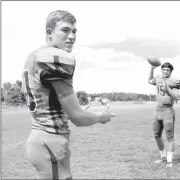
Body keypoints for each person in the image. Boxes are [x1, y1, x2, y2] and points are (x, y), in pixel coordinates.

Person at [22, 10, 115, 179]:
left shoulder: (35, 56)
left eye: (74, 31)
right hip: (50, 141)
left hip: (45, 140)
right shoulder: (53, 57)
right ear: (49, 33)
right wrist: (102, 116)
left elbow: (48, 102)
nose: (72, 36)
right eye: (65, 30)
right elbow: (77, 117)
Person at [148, 60, 180, 168]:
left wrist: (167, 87)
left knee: (169, 137)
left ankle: (169, 161)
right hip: (157, 110)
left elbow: (176, 97)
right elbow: (149, 80)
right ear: (161, 70)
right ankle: (163, 157)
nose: (165, 71)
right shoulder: (158, 77)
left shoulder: (175, 81)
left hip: (168, 110)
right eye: (164, 69)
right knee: (156, 134)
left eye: (167, 70)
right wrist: (152, 69)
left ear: (170, 71)